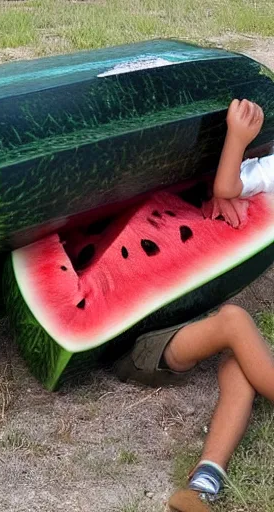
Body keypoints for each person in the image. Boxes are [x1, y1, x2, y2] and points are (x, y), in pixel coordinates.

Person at [115, 98, 274, 512]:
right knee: (236, 322)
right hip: (138, 335)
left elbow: (229, 190)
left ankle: (204, 483)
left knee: (240, 367)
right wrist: (237, 139)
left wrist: (234, 194)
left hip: (186, 318)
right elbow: (225, 187)